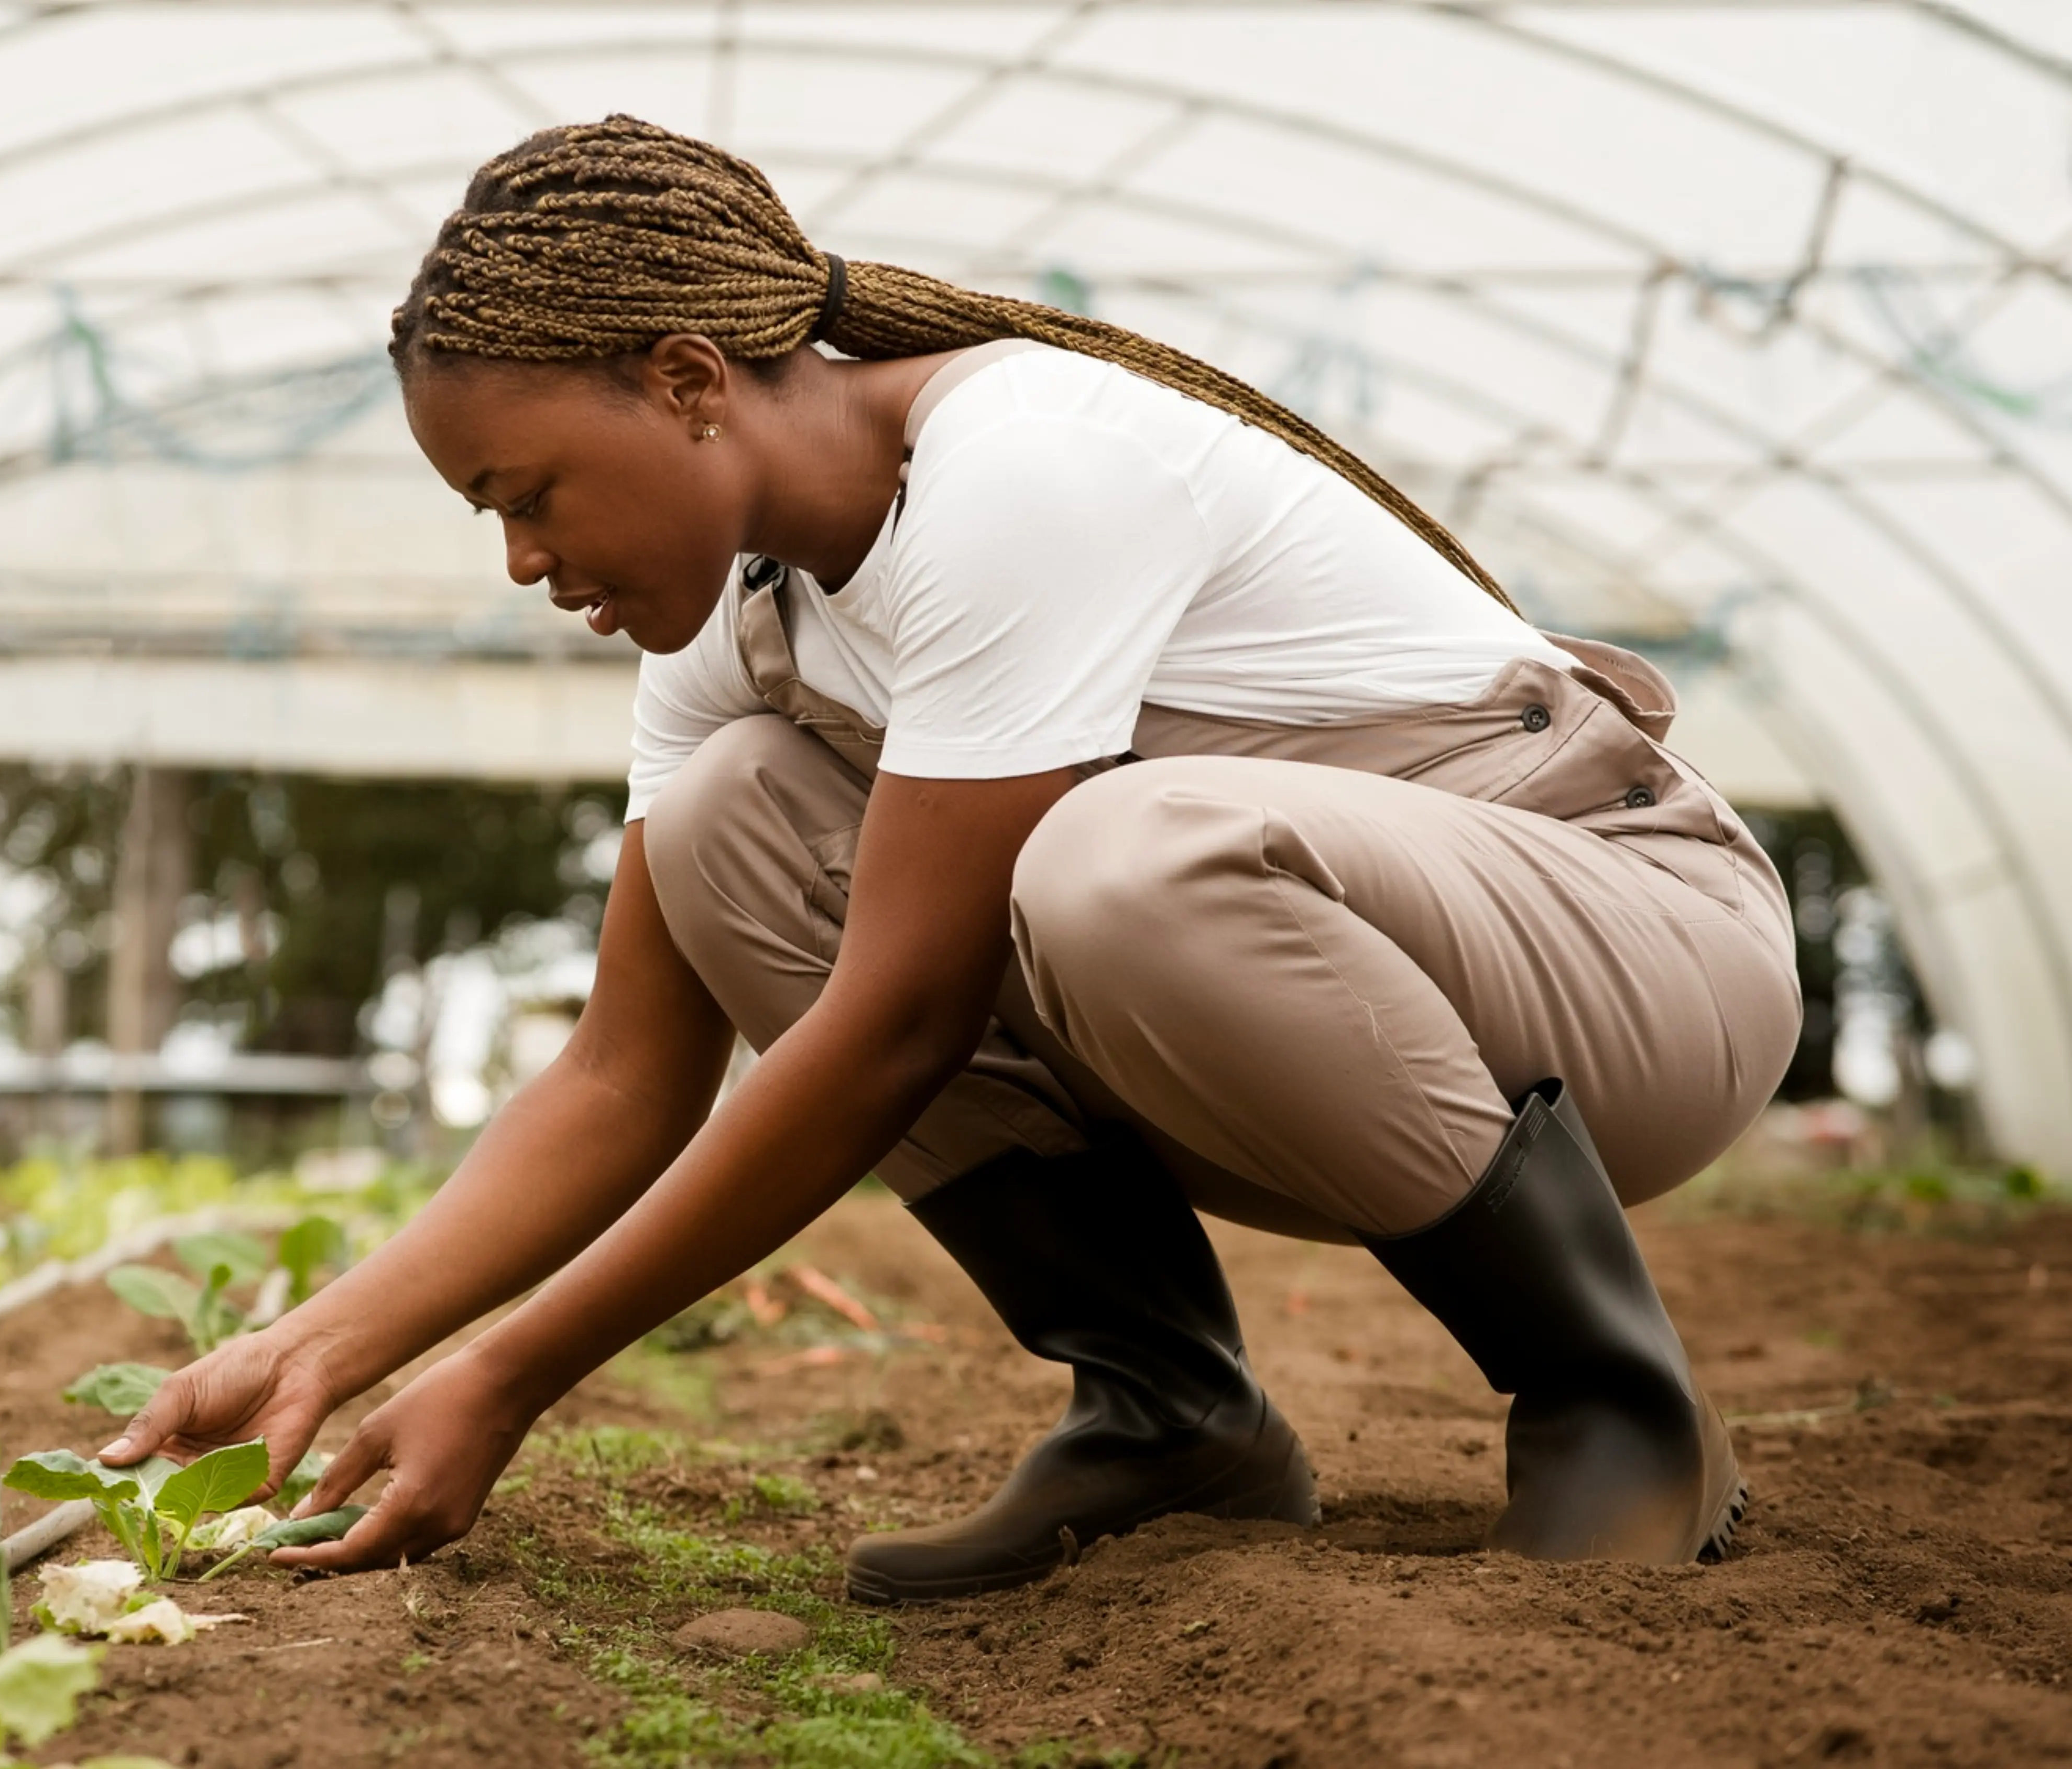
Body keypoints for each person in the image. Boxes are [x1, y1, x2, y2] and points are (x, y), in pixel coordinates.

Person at [101, 115, 1800, 1599]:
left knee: (1116, 861)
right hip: (1322, 1043)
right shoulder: (742, 622)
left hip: (1639, 959)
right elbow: (623, 1071)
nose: (523, 559)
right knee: (729, 822)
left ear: (689, 382)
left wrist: (509, 1374)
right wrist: (312, 1344)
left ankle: (1612, 1395)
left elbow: (897, 1024)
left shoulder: (1027, 469)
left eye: (527, 492)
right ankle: (1172, 1411)